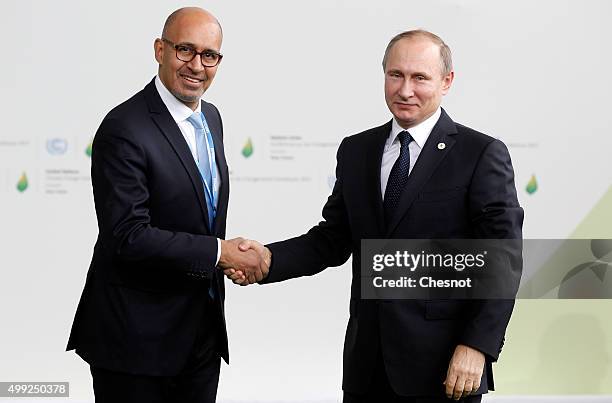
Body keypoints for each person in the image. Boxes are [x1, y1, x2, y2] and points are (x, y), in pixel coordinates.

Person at [228, 30, 523, 402]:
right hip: (366, 367)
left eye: (420, 77)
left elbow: (502, 260)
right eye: (395, 75)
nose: (405, 90)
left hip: (445, 368)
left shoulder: (480, 154)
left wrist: (477, 345)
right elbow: (333, 238)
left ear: (447, 81)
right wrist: (268, 260)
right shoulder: (357, 150)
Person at [66, 7, 267, 403]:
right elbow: (127, 236)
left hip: (201, 336)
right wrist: (219, 252)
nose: (197, 65)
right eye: (185, 50)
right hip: (135, 343)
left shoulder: (211, 118)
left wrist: (223, 258)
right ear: (160, 49)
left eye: (209, 55)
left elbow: (199, 215)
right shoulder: (124, 128)